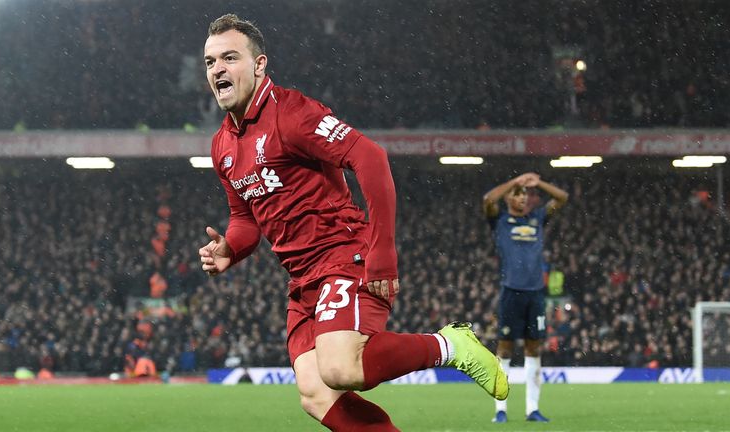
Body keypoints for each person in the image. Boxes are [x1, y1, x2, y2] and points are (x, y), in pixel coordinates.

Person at [197, 14, 508, 431]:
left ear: (259, 64)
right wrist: (229, 249)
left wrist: (382, 252)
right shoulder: (222, 145)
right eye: (209, 61)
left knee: (341, 369)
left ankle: (449, 346)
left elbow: (370, 157)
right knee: (315, 393)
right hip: (301, 279)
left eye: (229, 57)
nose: (217, 68)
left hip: (343, 255)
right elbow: (244, 218)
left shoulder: (293, 114)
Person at [483, 172, 568, 423]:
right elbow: (488, 199)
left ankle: (532, 409)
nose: (522, 199)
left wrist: (537, 183)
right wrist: (513, 182)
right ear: (509, 198)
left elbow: (562, 198)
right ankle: (500, 410)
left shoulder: (537, 218)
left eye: (524, 195)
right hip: (511, 291)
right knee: (505, 349)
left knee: (534, 349)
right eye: (516, 195)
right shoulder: (500, 220)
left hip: (535, 294)